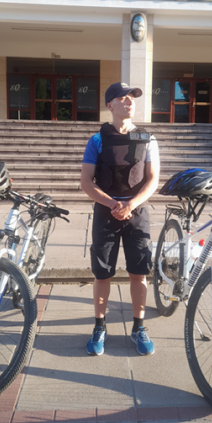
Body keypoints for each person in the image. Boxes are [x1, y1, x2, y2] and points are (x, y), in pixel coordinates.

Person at [80, 82, 160, 356]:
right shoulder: (97, 140)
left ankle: (138, 327)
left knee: (139, 272)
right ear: (109, 105)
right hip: (106, 211)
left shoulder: (148, 139)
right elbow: (86, 182)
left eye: (132, 98)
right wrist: (113, 203)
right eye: (122, 98)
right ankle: (99, 326)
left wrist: (131, 204)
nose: (129, 102)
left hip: (136, 213)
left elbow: (152, 180)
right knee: (102, 272)